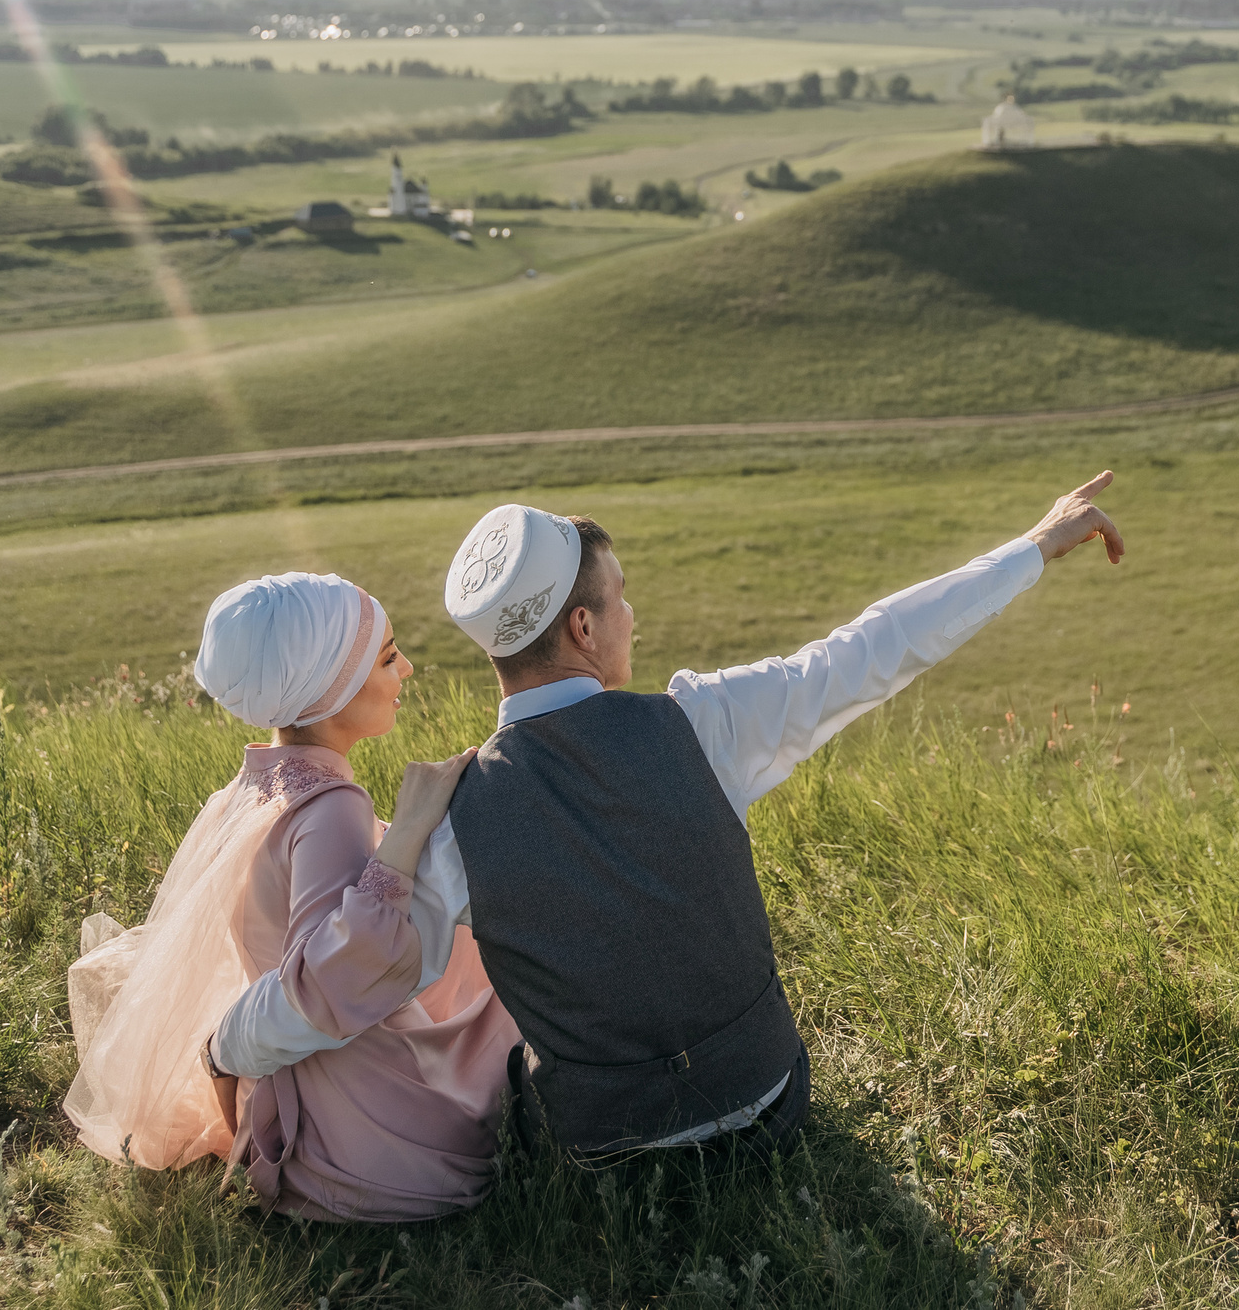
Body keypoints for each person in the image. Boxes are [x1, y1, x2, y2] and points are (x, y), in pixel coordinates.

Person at [210, 473, 1126, 1160]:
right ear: (582, 628)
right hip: (773, 1095)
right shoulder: (704, 722)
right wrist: (1033, 546)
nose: (631, 616)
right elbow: (871, 648)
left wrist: (225, 1039)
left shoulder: (455, 825)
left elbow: (328, 996)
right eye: (619, 599)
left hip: (609, 1149)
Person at [63, 572, 520, 1220]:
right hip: (373, 1134)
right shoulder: (330, 805)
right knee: (517, 988)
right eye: (389, 657)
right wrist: (411, 830)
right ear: (329, 689)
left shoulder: (249, 788)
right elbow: (330, 976)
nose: (408, 669)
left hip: (298, 1089)